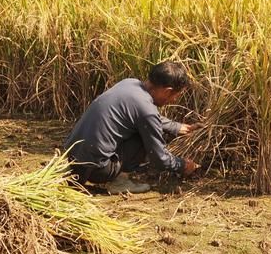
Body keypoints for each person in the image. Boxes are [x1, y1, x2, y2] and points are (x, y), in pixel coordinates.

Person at [63, 61, 201, 194]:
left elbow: (140, 114)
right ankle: (119, 181)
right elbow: (159, 158)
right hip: (96, 170)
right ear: (167, 91)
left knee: (142, 126)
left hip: (71, 158)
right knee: (142, 135)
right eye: (176, 96)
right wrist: (183, 165)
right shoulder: (147, 110)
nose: (174, 100)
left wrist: (176, 127)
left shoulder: (129, 83)